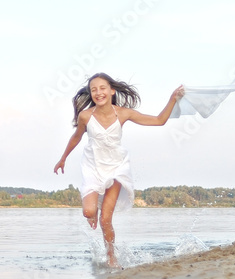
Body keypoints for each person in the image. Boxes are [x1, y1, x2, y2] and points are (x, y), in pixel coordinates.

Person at [53, 73, 185, 267]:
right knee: (88, 212)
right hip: (93, 166)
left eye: (102, 88)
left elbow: (159, 120)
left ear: (112, 90)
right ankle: (94, 212)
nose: (98, 92)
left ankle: (111, 257)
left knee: (106, 219)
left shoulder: (123, 113)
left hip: (117, 167)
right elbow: (76, 137)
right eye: (94, 90)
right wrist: (63, 158)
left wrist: (173, 98)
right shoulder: (86, 116)